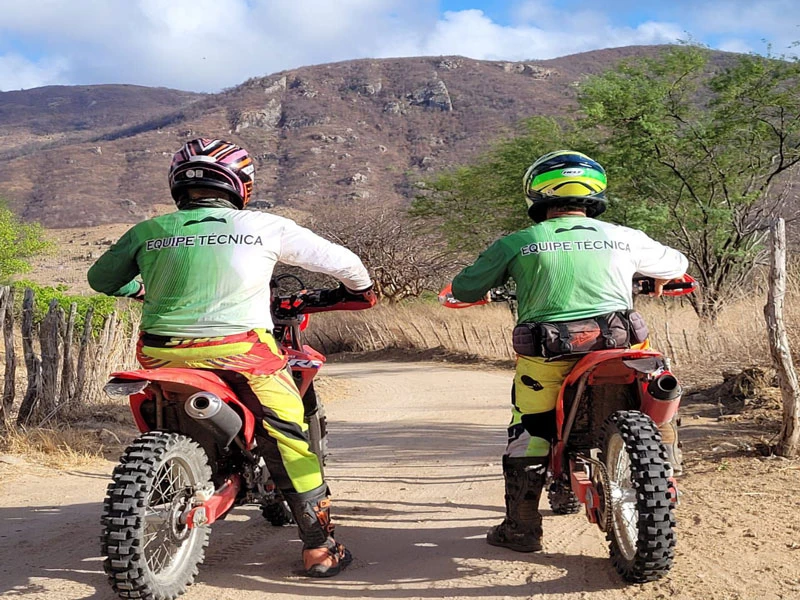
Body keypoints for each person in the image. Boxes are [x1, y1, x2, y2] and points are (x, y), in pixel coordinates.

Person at [88, 138, 375, 577]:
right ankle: (320, 548)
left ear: (178, 186)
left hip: (162, 356)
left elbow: (101, 278)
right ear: (241, 184)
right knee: (288, 435)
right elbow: (348, 265)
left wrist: (138, 288)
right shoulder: (264, 226)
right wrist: (360, 292)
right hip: (241, 354)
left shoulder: (149, 231)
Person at [450, 150, 688, 553]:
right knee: (658, 396)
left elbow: (463, 289)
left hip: (548, 357)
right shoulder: (624, 237)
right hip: (623, 349)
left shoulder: (516, 243)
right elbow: (676, 263)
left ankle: (522, 527)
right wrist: (655, 278)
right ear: (594, 191)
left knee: (529, 431)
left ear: (536, 193)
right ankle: (665, 458)